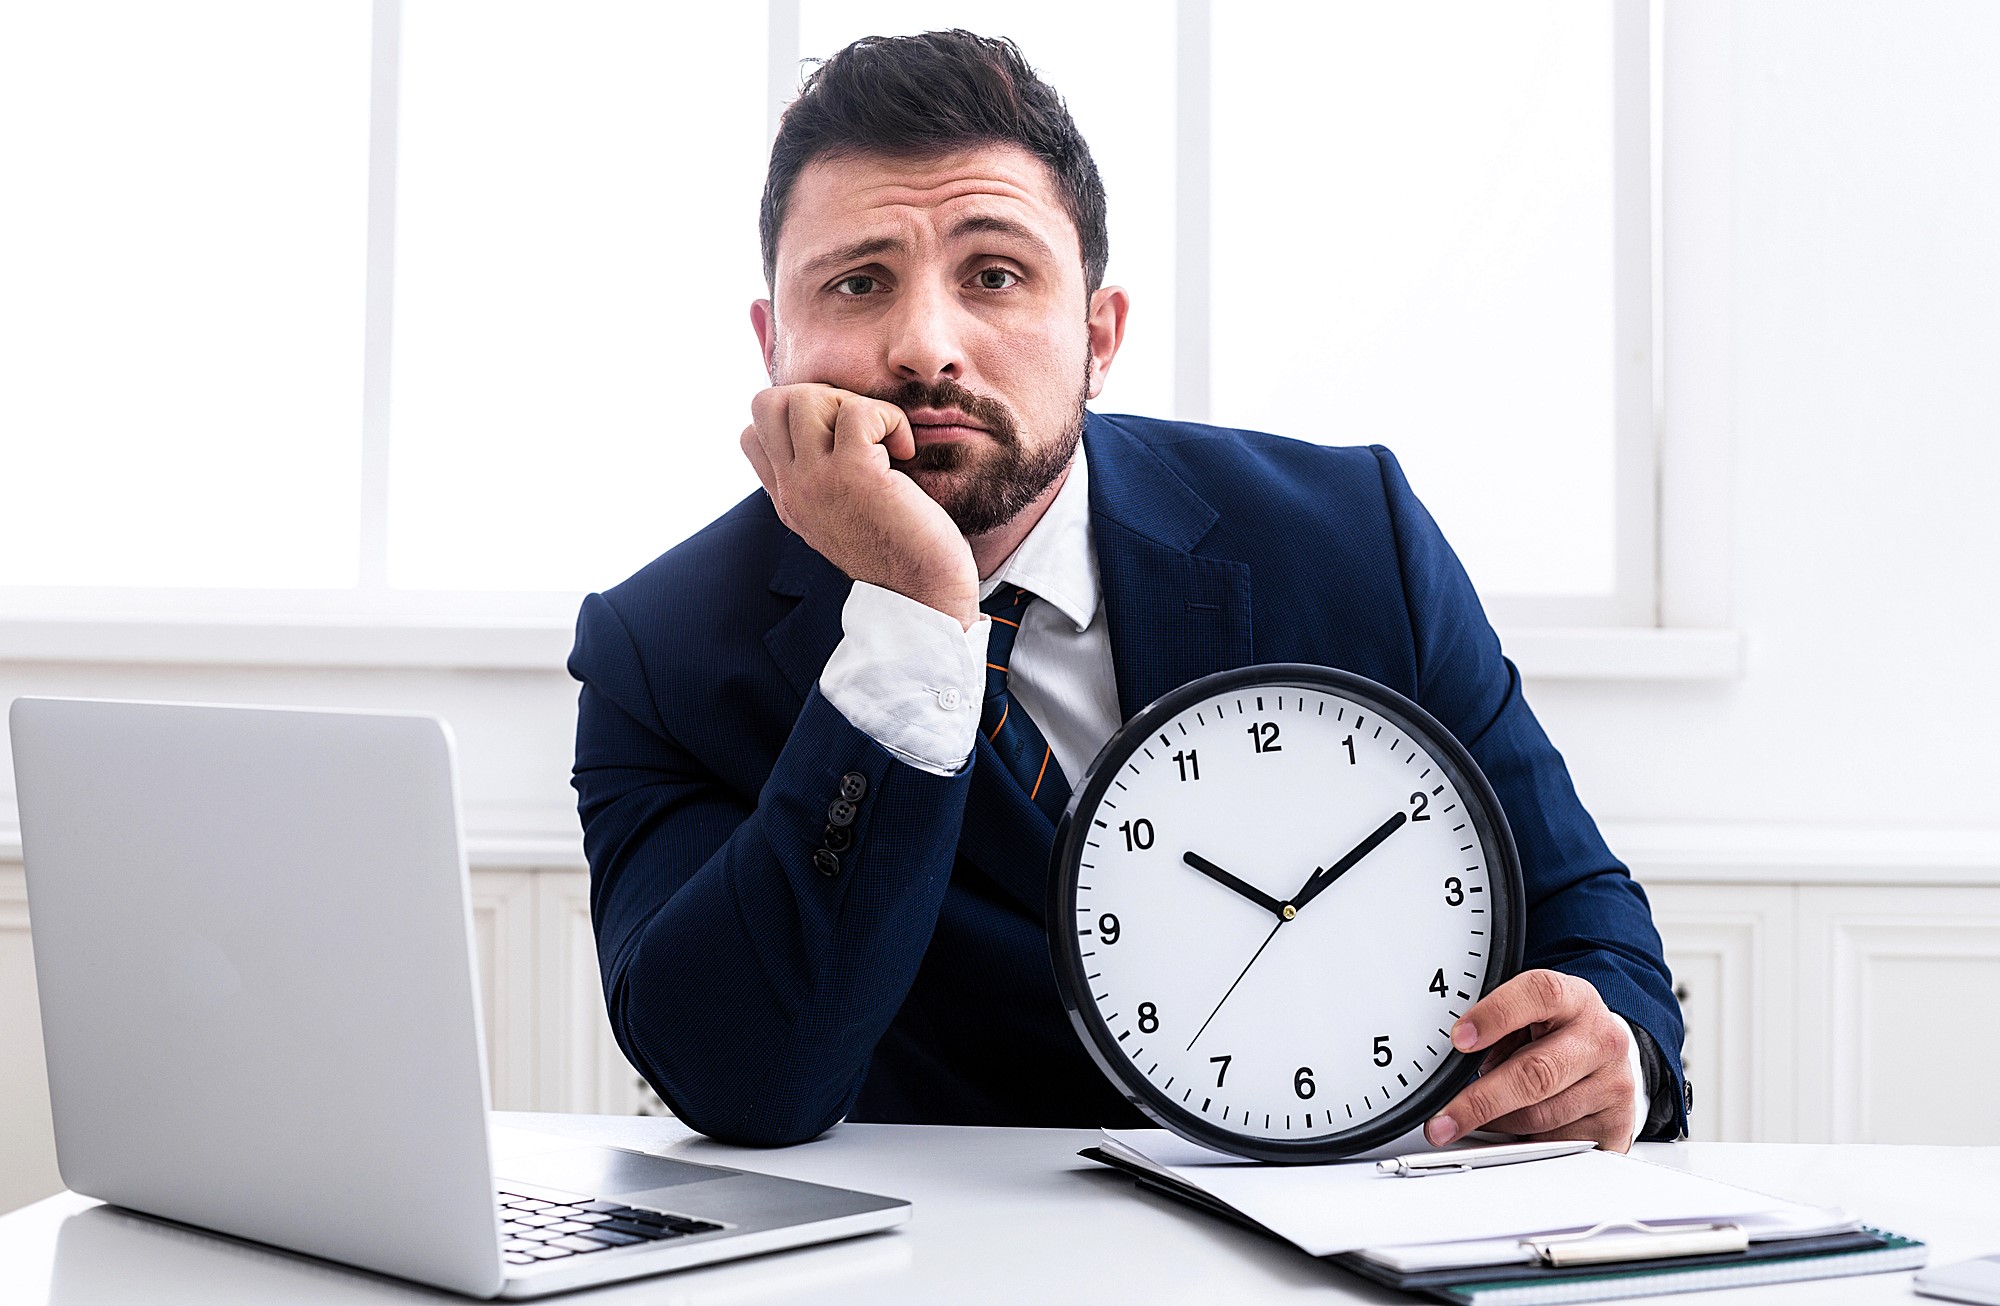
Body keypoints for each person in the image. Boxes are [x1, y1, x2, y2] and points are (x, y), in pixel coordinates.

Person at [568, 29, 1686, 1152]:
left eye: (993, 275)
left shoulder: (1354, 535)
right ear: (774, 347)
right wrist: (913, 611)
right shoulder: (657, 653)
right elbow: (744, 1081)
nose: (923, 347)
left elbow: (1586, 925)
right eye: (858, 283)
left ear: (1098, 337)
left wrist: (1613, 1060)